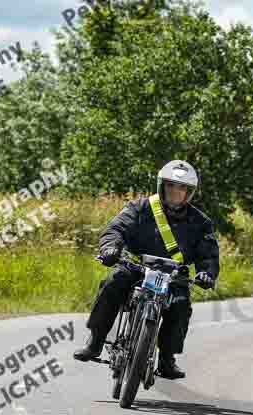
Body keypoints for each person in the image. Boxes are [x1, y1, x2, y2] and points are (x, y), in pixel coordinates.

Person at [73, 160, 219, 379]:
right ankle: (95, 341)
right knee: (112, 282)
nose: (175, 192)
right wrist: (110, 248)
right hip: (135, 266)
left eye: (181, 188)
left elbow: (208, 254)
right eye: (170, 185)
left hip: (173, 275)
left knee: (180, 305)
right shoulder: (140, 207)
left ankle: (167, 360)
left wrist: (206, 272)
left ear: (189, 192)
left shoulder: (201, 222)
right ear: (162, 185)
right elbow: (116, 229)